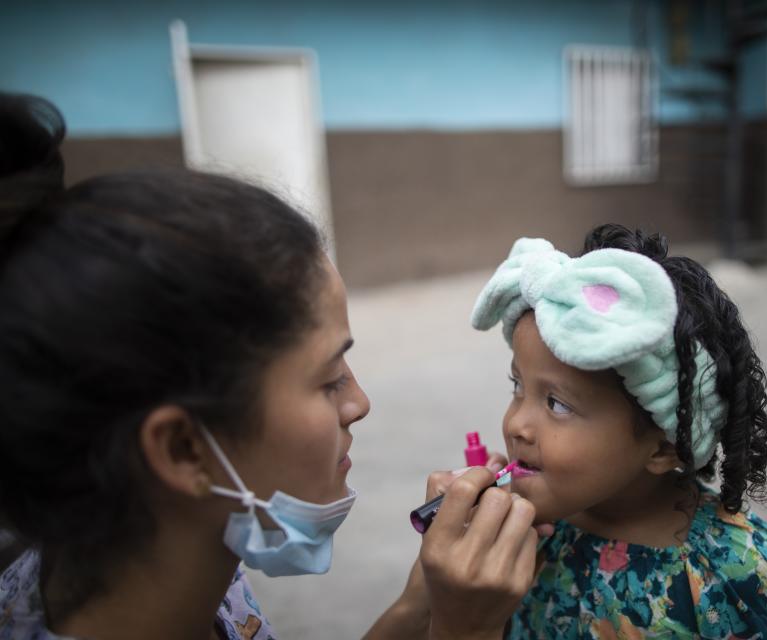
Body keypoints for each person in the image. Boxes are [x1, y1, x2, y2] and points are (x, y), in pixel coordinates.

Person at [0, 93, 544, 640]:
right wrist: (464, 630)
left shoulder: (182, 568)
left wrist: (417, 605)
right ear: (184, 449)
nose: (360, 404)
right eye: (330, 379)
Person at [470, 228, 767, 638]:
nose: (515, 424)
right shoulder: (527, 535)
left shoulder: (736, 573)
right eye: (518, 386)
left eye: (558, 404)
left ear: (667, 446)